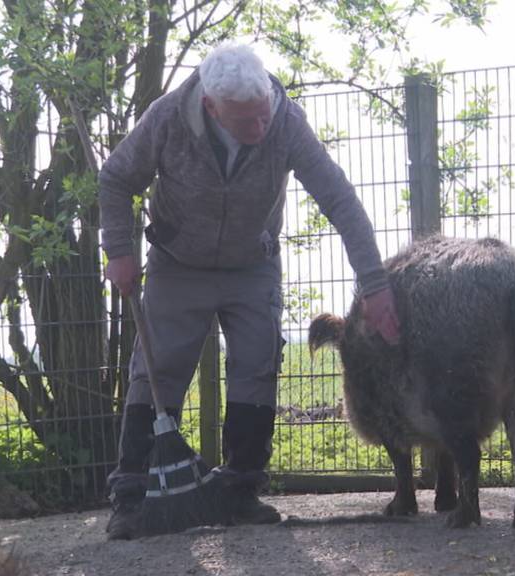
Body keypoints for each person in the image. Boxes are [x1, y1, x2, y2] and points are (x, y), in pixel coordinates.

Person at [98, 42, 401, 540]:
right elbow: (115, 178)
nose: (261, 127)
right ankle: (132, 497)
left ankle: (240, 491)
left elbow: (340, 199)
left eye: (264, 114)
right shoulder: (168, 118)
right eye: (246, 120)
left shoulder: (286, 121)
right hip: (178, 264)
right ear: (211, 106)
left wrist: (374, 284)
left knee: (257, 366)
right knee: (157, 372)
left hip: (252, 266)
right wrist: (118, 251)